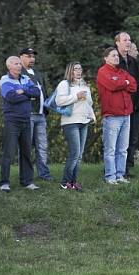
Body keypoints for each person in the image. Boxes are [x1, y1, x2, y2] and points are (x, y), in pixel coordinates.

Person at [0, 56, 40, 192]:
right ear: (9, 66)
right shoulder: (5, 79)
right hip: (12, 121)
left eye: (19, 64)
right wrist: (28, 95)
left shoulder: (25, 78)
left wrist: (23, 91)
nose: (19, 66)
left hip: (26, 120)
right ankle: (4, 183)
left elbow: (37, 92)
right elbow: (11, 97)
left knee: (27, 152)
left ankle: (27, 181)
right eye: (16, 63)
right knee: (8, 153)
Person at [97, 47, 137, 184]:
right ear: (106, 58)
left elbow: (133, 85)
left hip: (126, 114)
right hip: (112, 115)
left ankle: (120, 175)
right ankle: (110, 176)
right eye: (113, 55)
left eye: (117, 55)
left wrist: (124, 83)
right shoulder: (102, 72)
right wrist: (124, 83)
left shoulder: (122, 71)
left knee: (123, 149)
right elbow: (112, 85)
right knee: (110, 149)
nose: (116, 57)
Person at [54, 62, 96, 191]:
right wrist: (76, 96)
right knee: (75, 153)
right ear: (70, 71)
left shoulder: (85, 85)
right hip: (70, 121)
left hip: (84, 121)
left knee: (79, 155)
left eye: (80, 69)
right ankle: (65, 182)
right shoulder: (64, 84)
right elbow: (59, 101)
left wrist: (92, 116)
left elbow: (89, 103)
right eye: (75, 69)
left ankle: (73, 182)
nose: (78, 71)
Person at [20, 47, 53, 181]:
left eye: (33, 56)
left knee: (42, 146)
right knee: (26, 147)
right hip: (28, 114)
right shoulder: (18, 73)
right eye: (28, 56)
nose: (32, 59)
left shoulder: (38, 73)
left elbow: (43, 92)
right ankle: (26, 175)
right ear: (21, 57)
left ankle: (44, 173)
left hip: (41, 115)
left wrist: (47, 108)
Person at [115, 32, 139, 177]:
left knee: (132, 138)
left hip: (134, 106)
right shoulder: (114, 61)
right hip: (119, 107)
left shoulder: (133, 61)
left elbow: (138, 83)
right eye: (125, 40)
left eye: (129, 40)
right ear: (117, 43)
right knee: (119, 139)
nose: (128, 42)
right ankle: (114, 168)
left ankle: (126, 167)